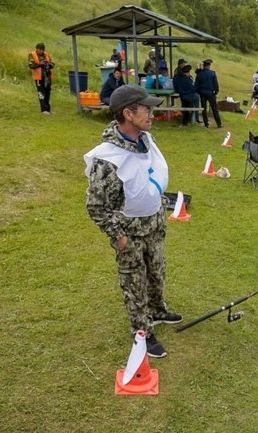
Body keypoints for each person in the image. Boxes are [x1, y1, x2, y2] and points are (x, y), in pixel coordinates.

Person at [83, 86, 183, 358]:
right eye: (146, 108)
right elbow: (96, 206)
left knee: (156, 273)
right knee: (135, 284)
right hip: (130, 234)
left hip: (154, 227)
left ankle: (158, 311)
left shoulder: (146, 140)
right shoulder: (107, 158)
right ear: (128, 113)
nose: (152, 113)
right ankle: (142, 332)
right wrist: (120, 237)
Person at [195, 59, 222, 129]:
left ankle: (206, 123)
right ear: (209, 66)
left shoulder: (199, 74)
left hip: (202, 93)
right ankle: (219, 123)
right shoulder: (212, 73)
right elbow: (216, 84)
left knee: (204, 109)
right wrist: (216, 91)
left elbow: (196, 85)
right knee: (214, 108)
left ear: (204, 66)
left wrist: (199, 92)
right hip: (210, 93)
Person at [28, 42, 54, 114]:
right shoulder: (32, 54)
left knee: (47, 92)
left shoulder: (46, 54)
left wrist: (49, 64)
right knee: (41, 93)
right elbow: (31, 65)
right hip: (38, 77)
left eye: (42, 50)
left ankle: (48, 109)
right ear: (36, 49)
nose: (40, 51)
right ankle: (44, 109)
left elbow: (52, 63)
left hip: (47, 76)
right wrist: (40, 64)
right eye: (39, 49)